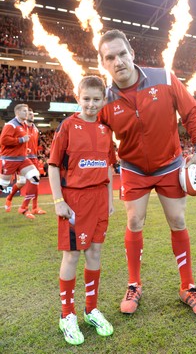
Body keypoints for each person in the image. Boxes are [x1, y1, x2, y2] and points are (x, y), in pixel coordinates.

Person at [98, 29, 196, 319]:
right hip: (133, 168)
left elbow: (190, 111)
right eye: (110, 57)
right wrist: (105, 176)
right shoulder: (104, 99)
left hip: (170, 164)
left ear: (132, 54)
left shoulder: (163, 77)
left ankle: (188, 286)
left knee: (177, 219)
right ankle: (134, 285)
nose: (118, 61)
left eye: (122, 54)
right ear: (104, 64)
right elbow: (99, 141)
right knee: (134, 221)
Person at [48, 76, 115, 346]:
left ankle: (91, 309)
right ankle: (67, 315)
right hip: (74, 200)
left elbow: (109, 167)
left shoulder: (105, 129)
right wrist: (58, 201)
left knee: (95, 252)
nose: (91, 104)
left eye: (96, 99)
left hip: (99, 199)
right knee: (72, 255)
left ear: (103, 100)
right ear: (78, 98)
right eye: (86, 98)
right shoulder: (67, 126)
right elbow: (53, 166)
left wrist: (110, 200)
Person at [0, 103, 40, 219]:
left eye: (27, 111)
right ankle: (9, 199)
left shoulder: (24, 125)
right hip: (9, 160)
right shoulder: (11, 125)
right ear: (17, 113)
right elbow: (3, 140)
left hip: (22, 159)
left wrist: (24, 148)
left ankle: (23, 208)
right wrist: (21, 140)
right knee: (3, 185)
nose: (26, 113)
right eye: (24, 111)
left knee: (35, 177)